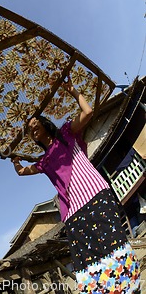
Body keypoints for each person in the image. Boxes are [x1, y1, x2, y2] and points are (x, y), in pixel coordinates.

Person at [11, 77, 140, 293]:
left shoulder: (65, 134)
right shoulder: (43, 161)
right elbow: (23, 172)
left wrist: (72, 91)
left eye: (35, 123)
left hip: (94, 194)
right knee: (89, 260)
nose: (32, 128)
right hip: (73, 212)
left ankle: (129, 288)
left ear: (45, 124)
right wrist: (16, 163)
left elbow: (88, 112)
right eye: (30, 128)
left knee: (113, 244)